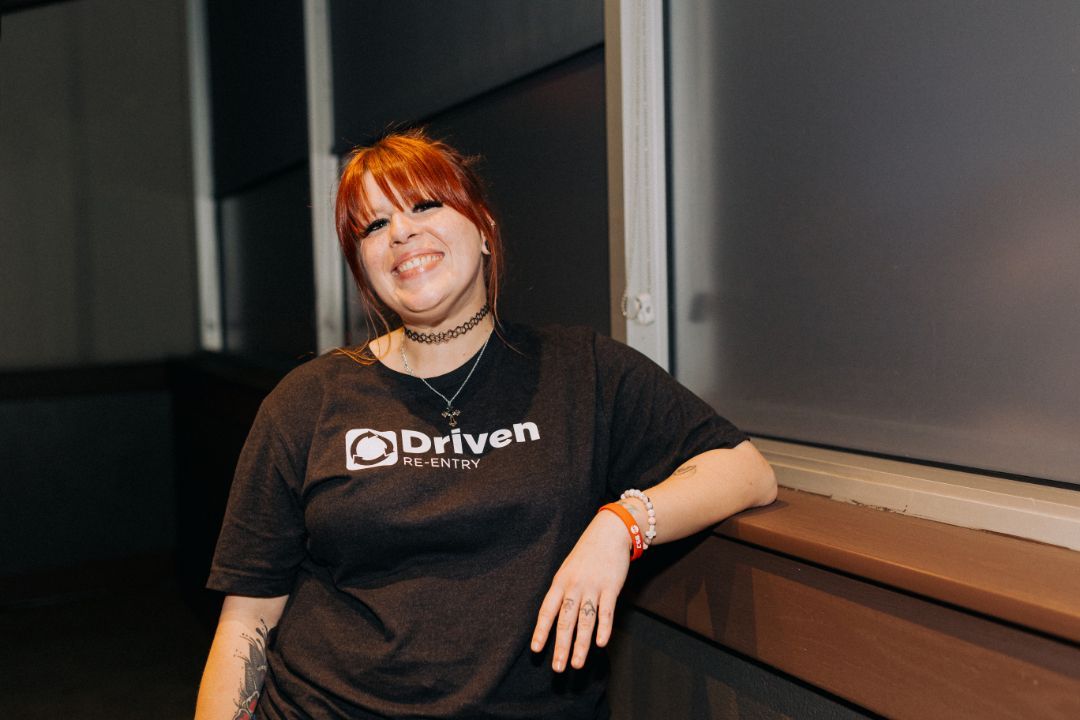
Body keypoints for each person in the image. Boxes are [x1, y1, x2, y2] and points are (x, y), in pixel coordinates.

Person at [194, 129, 776, 720]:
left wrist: (620, 524)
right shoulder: (307, 400)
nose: (400, 232)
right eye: (373, 226)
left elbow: (745, 471)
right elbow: (247, 619)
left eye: (425, 204)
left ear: (485, 231)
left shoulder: (581, 371)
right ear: (363, 267)